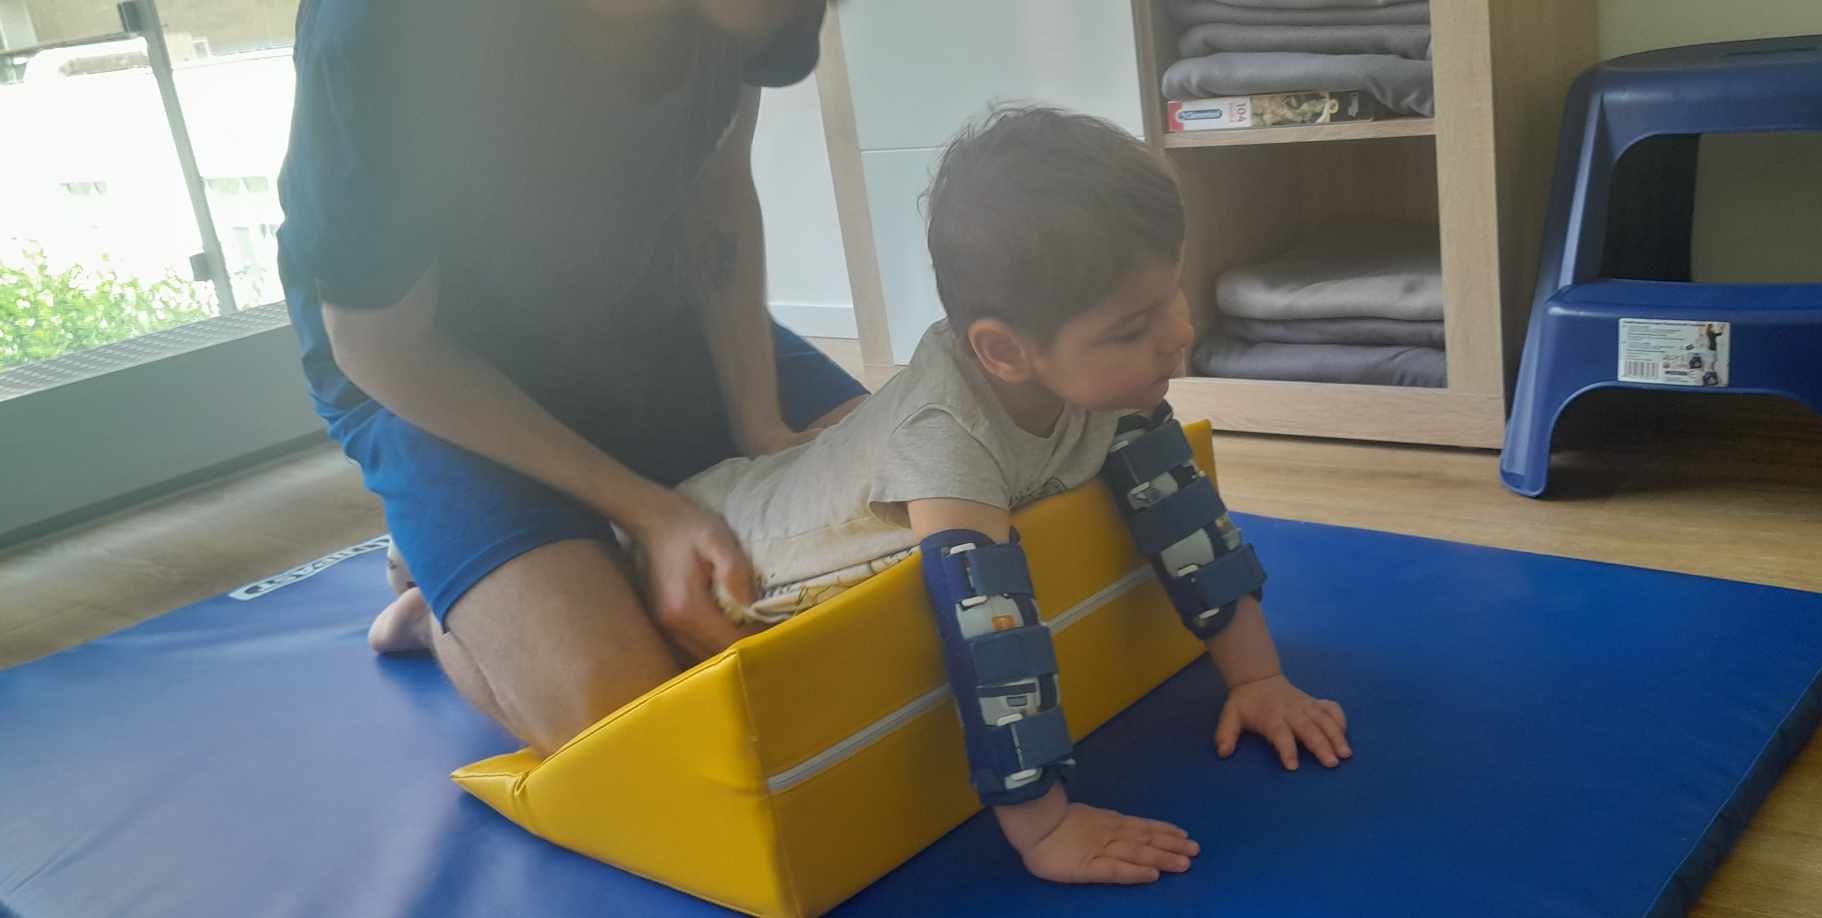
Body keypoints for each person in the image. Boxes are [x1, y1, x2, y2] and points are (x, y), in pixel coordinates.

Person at [386, 105, 1352, 885]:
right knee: (634, 733)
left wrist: (1258, 678)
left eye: (1172, 295)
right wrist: (1045, 825)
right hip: (721, 566)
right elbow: (991, 640)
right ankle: (441, 612)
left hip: (756, 489)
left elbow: (1185, 520)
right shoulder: (950, 444)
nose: (1177, 334)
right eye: (1134, 326)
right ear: (1004, 351)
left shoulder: (1105, 381)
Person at [277, 0, 866, 755]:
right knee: (639, 732)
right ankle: (447, 609)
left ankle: (521, 565)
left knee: (923, 498)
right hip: (435, 366)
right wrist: (651, 514)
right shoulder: (384, 26)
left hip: (644, 309)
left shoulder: (744, 16)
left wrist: (764, 428)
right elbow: (377, 344)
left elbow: (716, 186)